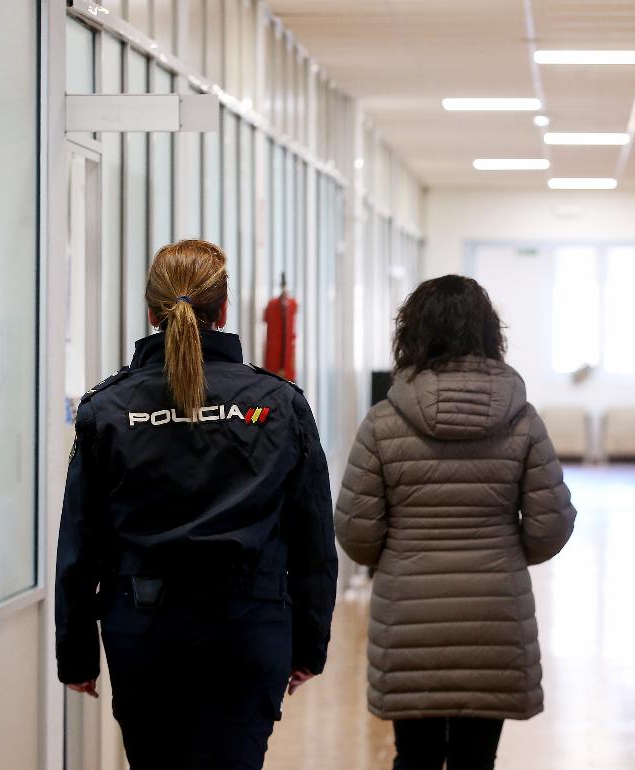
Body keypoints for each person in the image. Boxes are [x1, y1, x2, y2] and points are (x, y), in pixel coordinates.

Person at [54, 239, 337, 770]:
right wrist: (309, 644)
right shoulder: (278, 404)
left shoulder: (108, 409)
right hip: (251, 628)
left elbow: (78, 543)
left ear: (150, 311)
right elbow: (313, 537)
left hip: (142, 633)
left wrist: (76, 652)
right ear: (224, 310)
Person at [335, 275, 577, 770]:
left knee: (415, 757)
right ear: (490, 335)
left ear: (412, 334)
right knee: (476, 758)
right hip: (494, 615)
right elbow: (551, 525)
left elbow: (357, 532)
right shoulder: (523, 420)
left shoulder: (383, 421)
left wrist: (400, 553)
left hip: (409, 616)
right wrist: (504, 551)